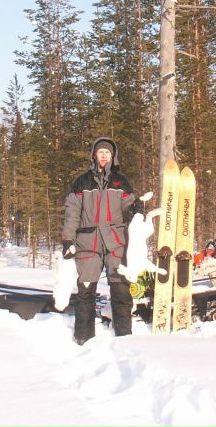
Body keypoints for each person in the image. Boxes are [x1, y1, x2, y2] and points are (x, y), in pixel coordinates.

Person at [62, 137, 139, 345]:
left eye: (107, 153)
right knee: (86, 290)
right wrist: (68, 239)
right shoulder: (82, 182)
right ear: (94, 155)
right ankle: (83, 339)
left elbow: (129, 211)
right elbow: (72, 212)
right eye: (100, 152)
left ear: (112, 156)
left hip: (116, 242)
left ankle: (124, 338)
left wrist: (136, 210)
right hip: (88, 243)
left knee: (121, 289)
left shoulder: (121, 182)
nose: (104, 156)